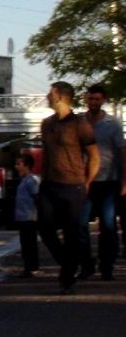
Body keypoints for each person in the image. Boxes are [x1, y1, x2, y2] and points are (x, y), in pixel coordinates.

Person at [38, 81, 99, 294]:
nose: (47, 96)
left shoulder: (80, 124)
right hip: (49, 184)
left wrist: (87, 181)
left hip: (73, 185)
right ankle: (69, 264)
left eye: (50, 92)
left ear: (59, 96)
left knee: (72, 232)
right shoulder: (46, 123)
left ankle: (67, 276)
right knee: (45, 227)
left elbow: (94, 156)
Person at [83, 84, 124, 281]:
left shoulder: (112, 124)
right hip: (84, 182)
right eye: (91, 99)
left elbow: (123, 153)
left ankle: (106, 265)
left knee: (107, 226)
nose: (93, 103)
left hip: (109, 181)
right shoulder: (80, 122)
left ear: (103, 100)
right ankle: (86, 264)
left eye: (97, 99)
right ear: (86, 99)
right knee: (79, 224)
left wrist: (124, 182)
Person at [13, 153, 41, 277]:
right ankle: (29, 267)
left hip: (29, 217)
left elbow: (37, 197)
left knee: (29, 244)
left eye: (19, 164)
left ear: (27, 165)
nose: (16, 167)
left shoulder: (31, 180)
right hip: (23, 217)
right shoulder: (24, 180)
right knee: (26, 244)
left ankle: (32, 267)